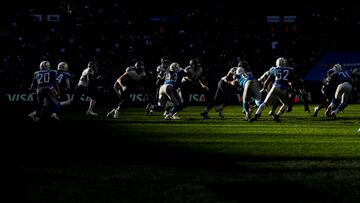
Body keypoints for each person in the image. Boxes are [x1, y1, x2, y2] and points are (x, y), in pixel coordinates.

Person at [250, 57, 293, 122]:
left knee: (265, 103)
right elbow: (291, 80)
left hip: (275, 87)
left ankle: (256, 115)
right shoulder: (289, 69)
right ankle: (277, 116)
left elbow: (267, 80)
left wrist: (264, 88)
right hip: (283, 89)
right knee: (285, 105)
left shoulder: (274, 69)